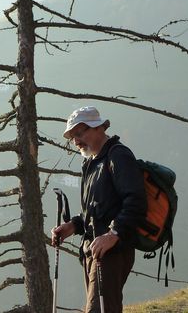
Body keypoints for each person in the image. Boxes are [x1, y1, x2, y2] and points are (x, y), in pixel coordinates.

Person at [51, 106, 146, 313]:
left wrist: (113, 234)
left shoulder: (118, 156)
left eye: (80, 133)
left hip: (112, 252)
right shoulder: (93, 162)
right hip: (94, 251)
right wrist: (72, 226)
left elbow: (137, 201)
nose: (76, 141)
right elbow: (94, 211)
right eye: (72, 137)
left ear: (98, 128)